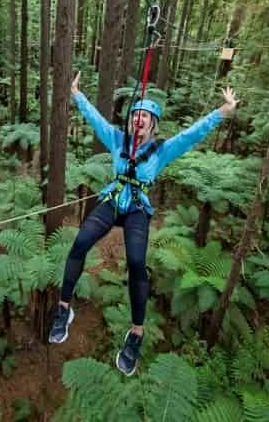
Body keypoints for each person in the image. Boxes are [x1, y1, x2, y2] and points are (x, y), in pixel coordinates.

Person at [49, 70, 239, 375]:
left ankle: (135, 333)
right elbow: (94, 117)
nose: (138, 120)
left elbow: (193, 134)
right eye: (134, 115)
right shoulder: (116, 138)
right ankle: (63, 309)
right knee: (81, 242)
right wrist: (76, 95)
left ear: (153, 124)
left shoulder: (162, 150)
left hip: (137, 207)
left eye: (144, 117)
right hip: (112, 201)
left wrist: (223, 111)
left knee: (137, 262)